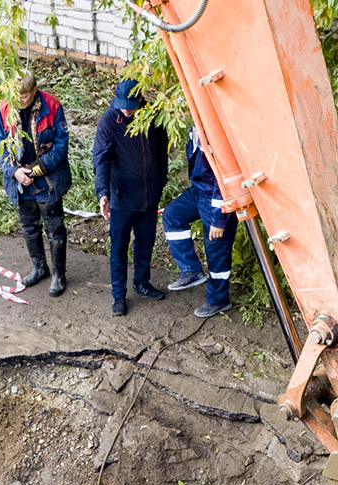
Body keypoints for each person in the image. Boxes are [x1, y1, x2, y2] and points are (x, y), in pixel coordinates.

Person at [91, 79, 168, 317]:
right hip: (121, 197)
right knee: (119, 248)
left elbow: (162, 151)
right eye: (123, 104)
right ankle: (118, 295)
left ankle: (142, 282)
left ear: (140, 99)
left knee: (145, 243)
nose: (127, 109)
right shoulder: (108, 123)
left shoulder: (153, 117)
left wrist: (160, 181)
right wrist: (103, 193)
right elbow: (101, 159)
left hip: (148, 196)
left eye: (131, 105)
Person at [0, 73, 71, 297]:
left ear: (35, 90)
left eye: (24, 96)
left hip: (47, 181)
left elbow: (60, 147)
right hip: (20, 183)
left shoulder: (52, 105)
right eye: (17, 96)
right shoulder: (5, 106)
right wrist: (15, 172)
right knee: (29, 227)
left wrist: (35, 171)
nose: (20, 101)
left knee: (55, 230)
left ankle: (58, 274)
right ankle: (39, 268)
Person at [163, 127, 235, 319]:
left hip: (216, 196)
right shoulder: (193, 129)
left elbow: (224, 180)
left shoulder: (215, 133)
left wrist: (219, 219)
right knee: (172, 215)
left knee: (216, 248)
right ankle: (191, 270)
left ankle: (218, 299)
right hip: (199, 191)